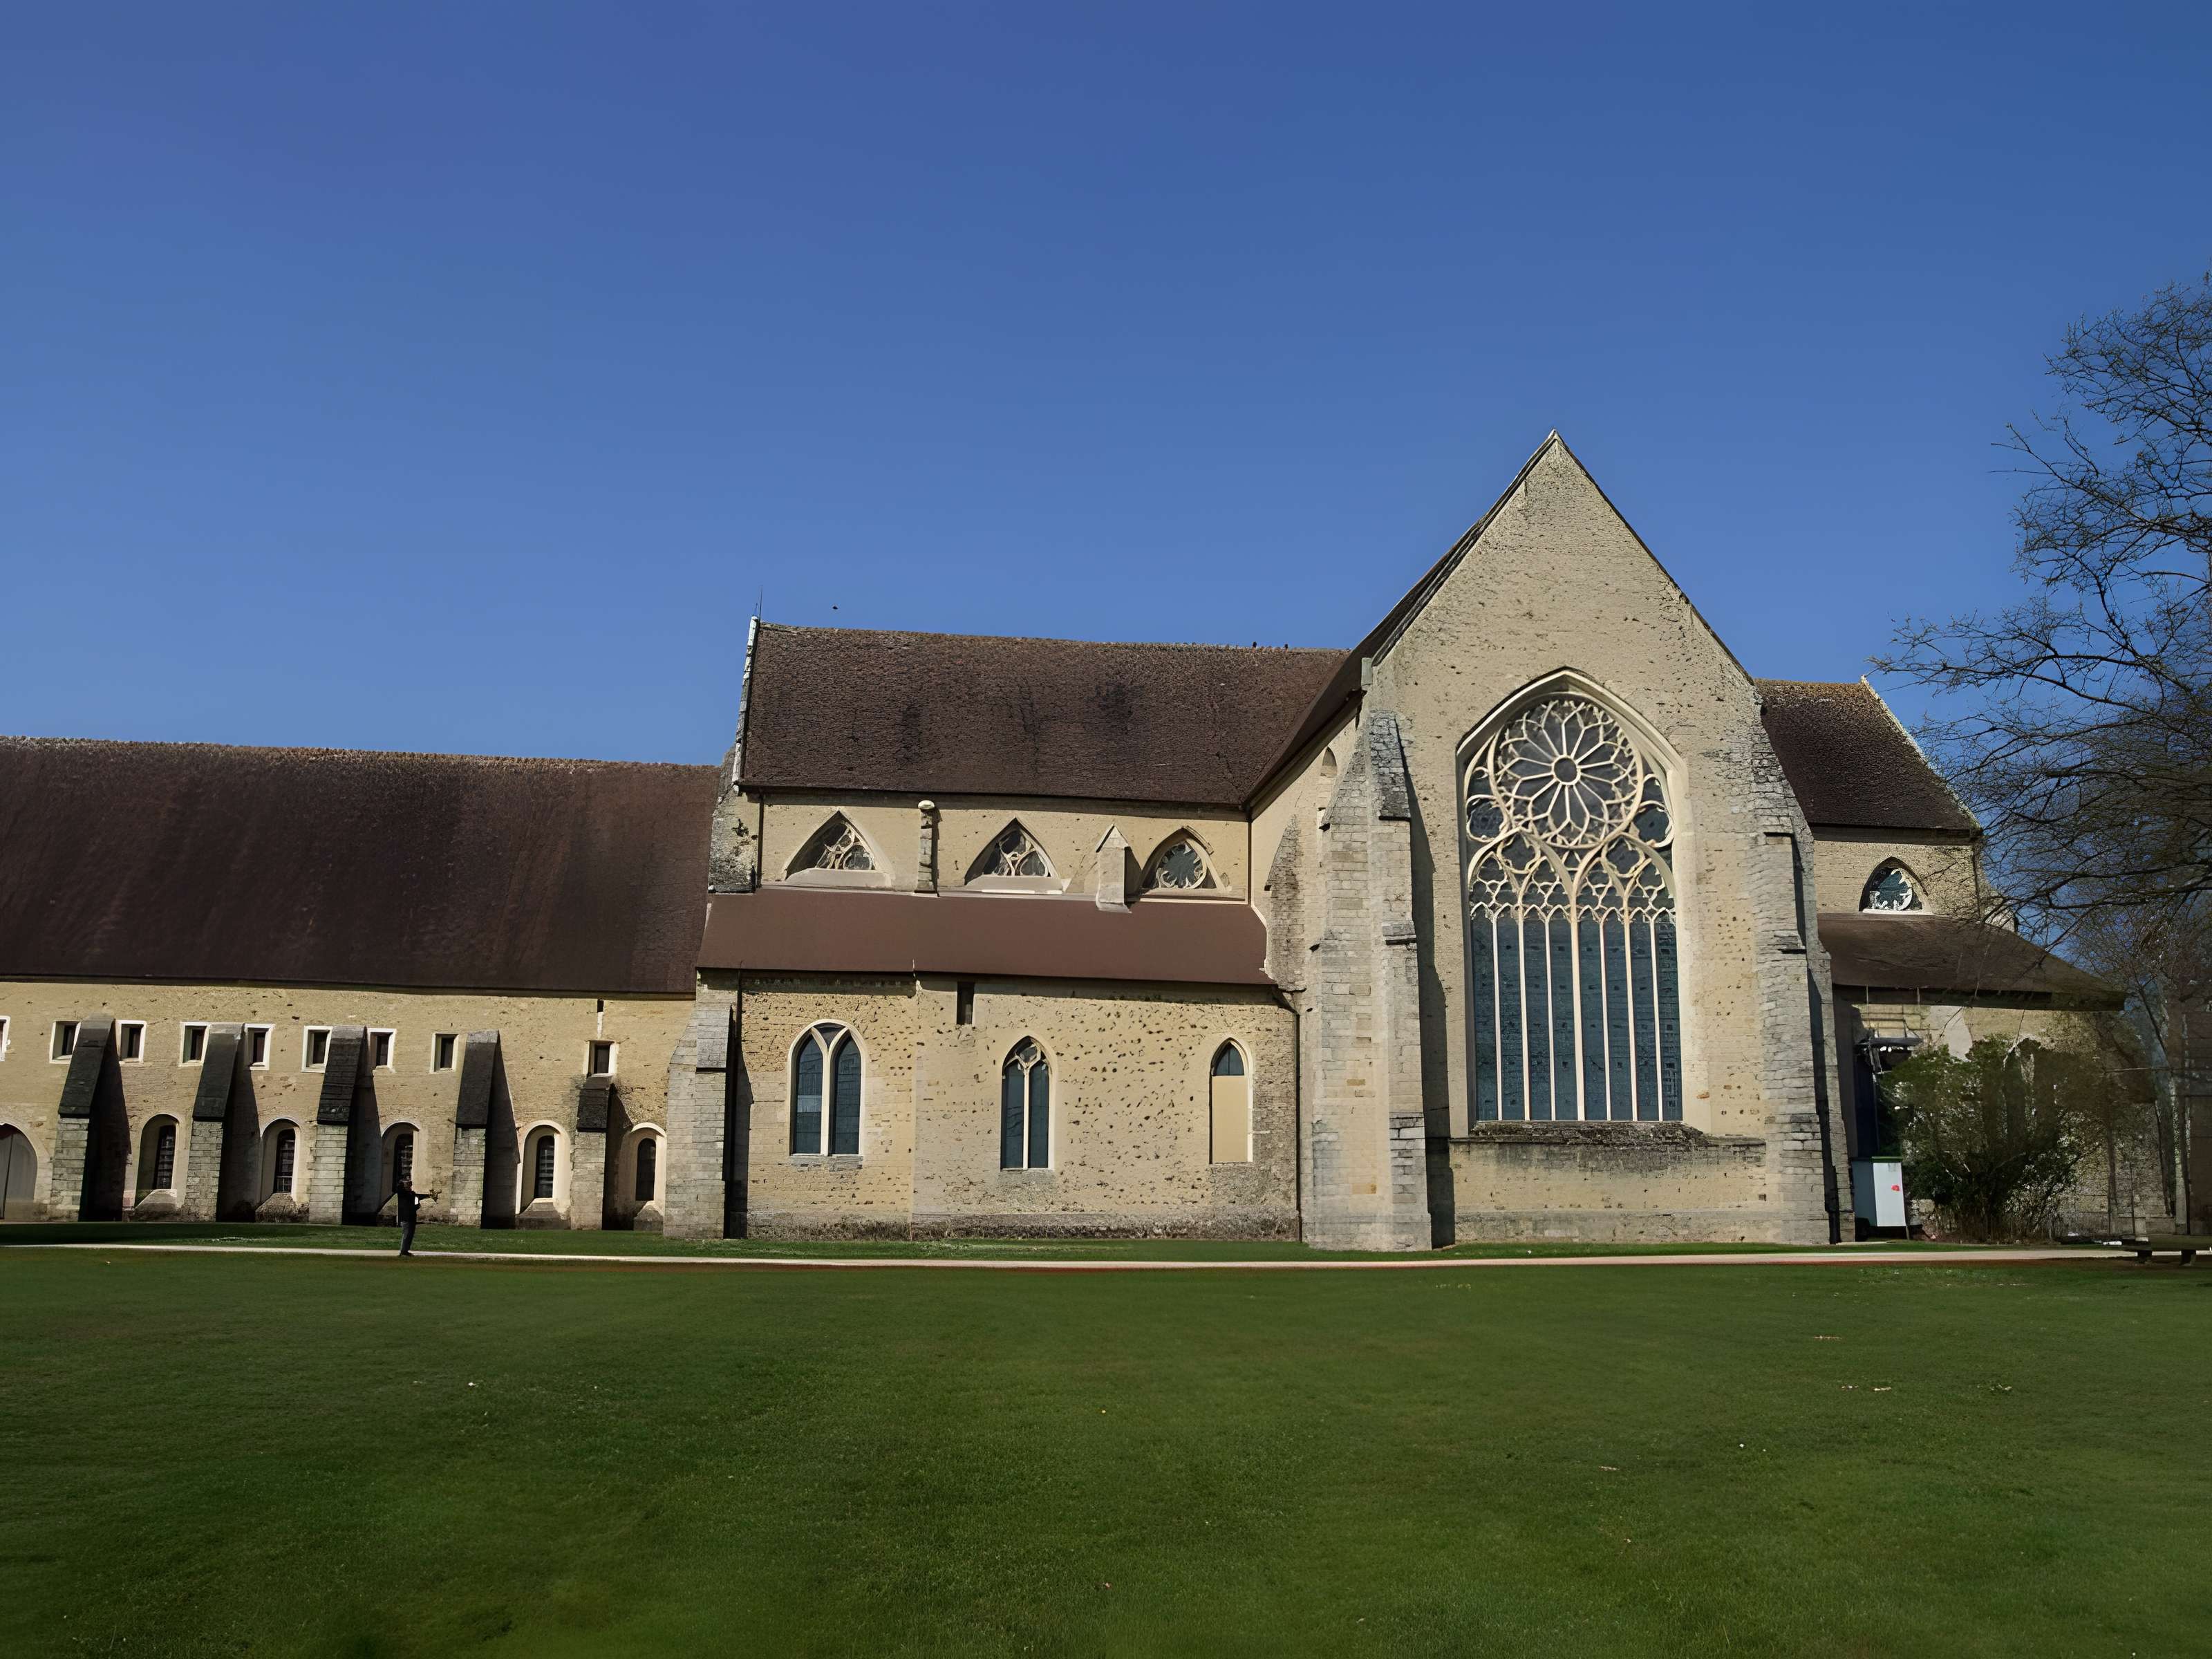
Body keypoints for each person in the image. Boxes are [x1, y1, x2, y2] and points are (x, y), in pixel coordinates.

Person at [395, 1177, 440, 1257]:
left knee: (410, 1235)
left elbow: (419, 1196)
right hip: (406, 1218)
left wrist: (429, 1196)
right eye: (408, 1185)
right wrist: (403, 1184)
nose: (410, 1187)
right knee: (406, 1235)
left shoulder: (411, 1194)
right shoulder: (402, 1194)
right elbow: (399, 1189)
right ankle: (403, 1251)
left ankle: (406, 1251)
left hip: (412, 1217)